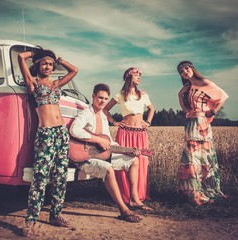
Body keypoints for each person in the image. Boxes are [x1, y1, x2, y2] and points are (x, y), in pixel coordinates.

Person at [70, 83, 153, 223]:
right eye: (100, 98)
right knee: (108, 169)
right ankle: (124, 210)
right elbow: (74, 130)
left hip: (101, 155)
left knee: (134, 161)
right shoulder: (86, 113)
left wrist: (128, 150)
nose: (102, 101)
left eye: (105, 99)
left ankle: (133, 199)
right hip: (84, 157)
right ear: (93, 96)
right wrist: (97, 139)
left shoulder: (103, 116)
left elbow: (107, 141)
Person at [18, 47, 78, 237]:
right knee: (40, 178)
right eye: (45, 63)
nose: (48, 66)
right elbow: (21, 57)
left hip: (61, 133)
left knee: (60, 176)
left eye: (51, 64)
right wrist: (37, 53)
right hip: (45, 134)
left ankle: (56, 215)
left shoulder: (56, 85)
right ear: (37, 65)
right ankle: (30, 221)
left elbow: (74, 71)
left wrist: (58, 58)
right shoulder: (33, 84)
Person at [176, 60, 229, 205]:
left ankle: (207, 190)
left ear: (192, 68)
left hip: (202, 123)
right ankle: (192, 192)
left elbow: (223, 95)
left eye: (186, 68)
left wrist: (213, 111)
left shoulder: (204, 82)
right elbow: (186, 110)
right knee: (191, 158)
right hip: (190, 124)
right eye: (181, 71)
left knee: (205, 157)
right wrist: (180, 95)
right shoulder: (187, 88)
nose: (184, 72)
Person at [103, 67, 154, 204]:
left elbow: (151, 109)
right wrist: (114, 122)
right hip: (125, 133)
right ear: (129, 76)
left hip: (141, 133)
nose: (139, 78)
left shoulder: (143, 94)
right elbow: (105, 109)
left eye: (140, 76)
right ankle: (125, 195)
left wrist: (148, 122)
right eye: (137, 75)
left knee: (142, 161)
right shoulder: (120, 95)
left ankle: (138, 195)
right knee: (125, 162)